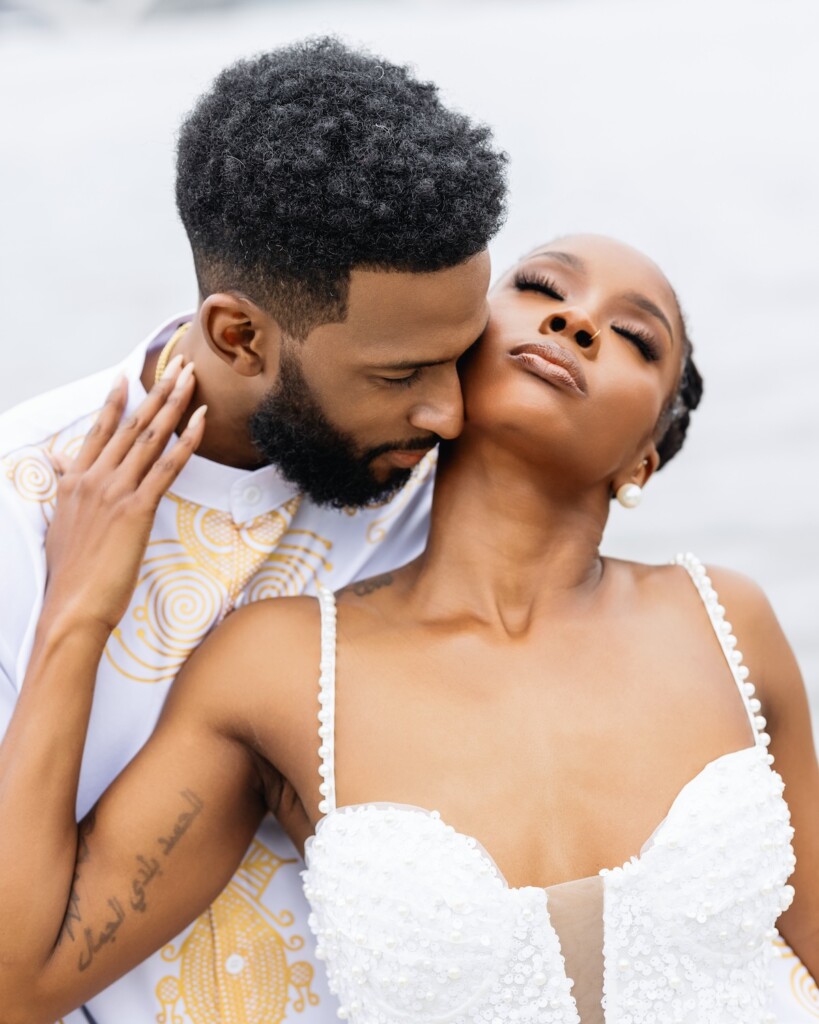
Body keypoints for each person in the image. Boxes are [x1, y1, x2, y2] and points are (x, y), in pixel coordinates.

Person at [0, 233, 816, 1024]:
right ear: (452, 352)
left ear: (644, 457)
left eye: (635, 337)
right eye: (539, 290)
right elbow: (21, 982)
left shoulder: (723, 622)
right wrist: (78, 613)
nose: (574, 323)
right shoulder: (280, 667)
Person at [0, 37, 507, 1024]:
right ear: (239, 335)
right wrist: (78, 612)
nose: (451, 413)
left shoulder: (460, 469)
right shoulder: (21, 499)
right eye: (401, 375)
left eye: (466, 351)